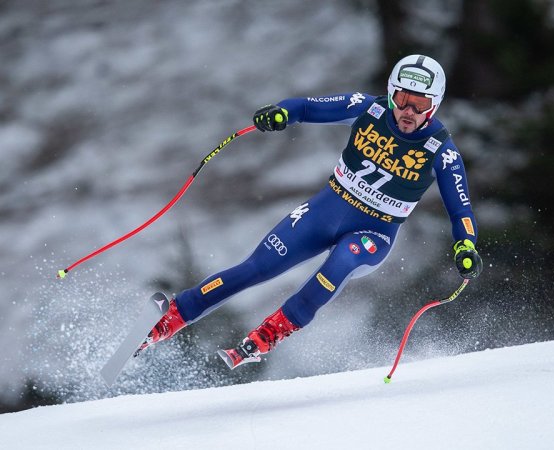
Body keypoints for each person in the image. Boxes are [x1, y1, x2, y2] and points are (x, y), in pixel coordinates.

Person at [137, 54, 483, 369]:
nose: (408, 112)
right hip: (328, 209)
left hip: (374, 232)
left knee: (342, 261)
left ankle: (270, 334)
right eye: (402, 100)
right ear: (390, 93)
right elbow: (305, 107)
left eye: (419, 105)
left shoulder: (442, 150)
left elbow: (461, 211)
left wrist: (465, 245)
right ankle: (175, 315)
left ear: (434, 106)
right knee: (258, 267)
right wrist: (281, 113)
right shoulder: (367, 108)